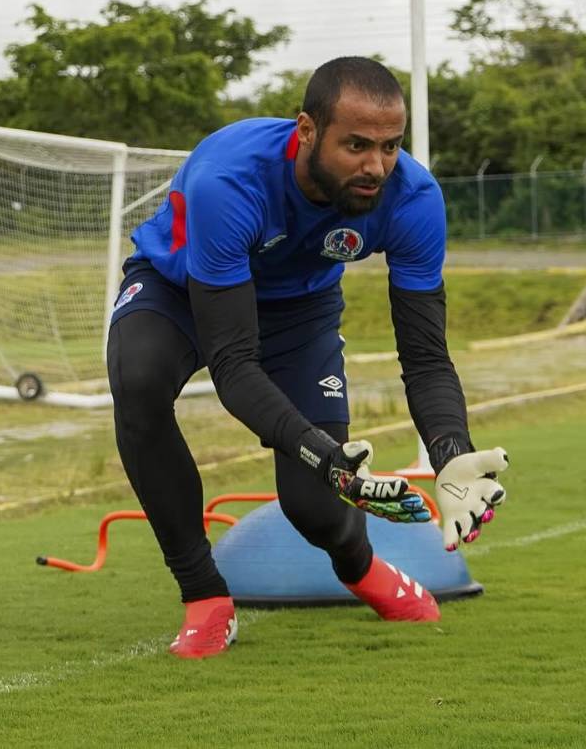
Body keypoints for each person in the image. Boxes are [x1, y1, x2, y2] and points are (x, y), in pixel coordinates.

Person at [106, 56, 509, 659]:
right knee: (137, 382)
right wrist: (326, 455)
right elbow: (234, 366)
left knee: (314, 507)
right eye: (356, 145)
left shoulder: (414, 199)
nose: (375, 165)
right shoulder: (230, 178)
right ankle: (205, 598)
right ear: (307, 131)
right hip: (182, 293)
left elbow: (425, 357)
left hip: (301, 312)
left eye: (390, 146)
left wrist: (452, 452)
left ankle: (363, 568)